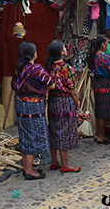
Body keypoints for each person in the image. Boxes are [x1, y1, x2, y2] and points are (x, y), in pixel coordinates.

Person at [11, 41, 54, 180]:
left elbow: (14, 85)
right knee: (33, 136)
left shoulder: (19, 69)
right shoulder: (36, 69)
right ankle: (29, 170)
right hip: (34, 106)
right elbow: (51, 84)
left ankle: (26, 167)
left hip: (20, 104)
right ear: (34, 54)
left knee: (24, 134)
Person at [45, 40, 81, 173]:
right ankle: (65, 164)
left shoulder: (50, 68)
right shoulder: (66, 69)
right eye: (64, 47)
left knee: (54, 130)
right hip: (65, 102)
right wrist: (77, 102)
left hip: (53, 102)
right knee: (64, 132)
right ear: (61, 52)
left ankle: (55, 162)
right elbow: (74, 90)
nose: (66, 49)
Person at [89, 34, 110, 144]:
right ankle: (101, 135)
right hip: (106, 84)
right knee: (104, 110)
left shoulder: (94, 56)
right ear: (103, 44)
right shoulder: (104, 57)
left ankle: (98, 133)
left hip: (97, 84)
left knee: (99, 109)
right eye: (107, 44)